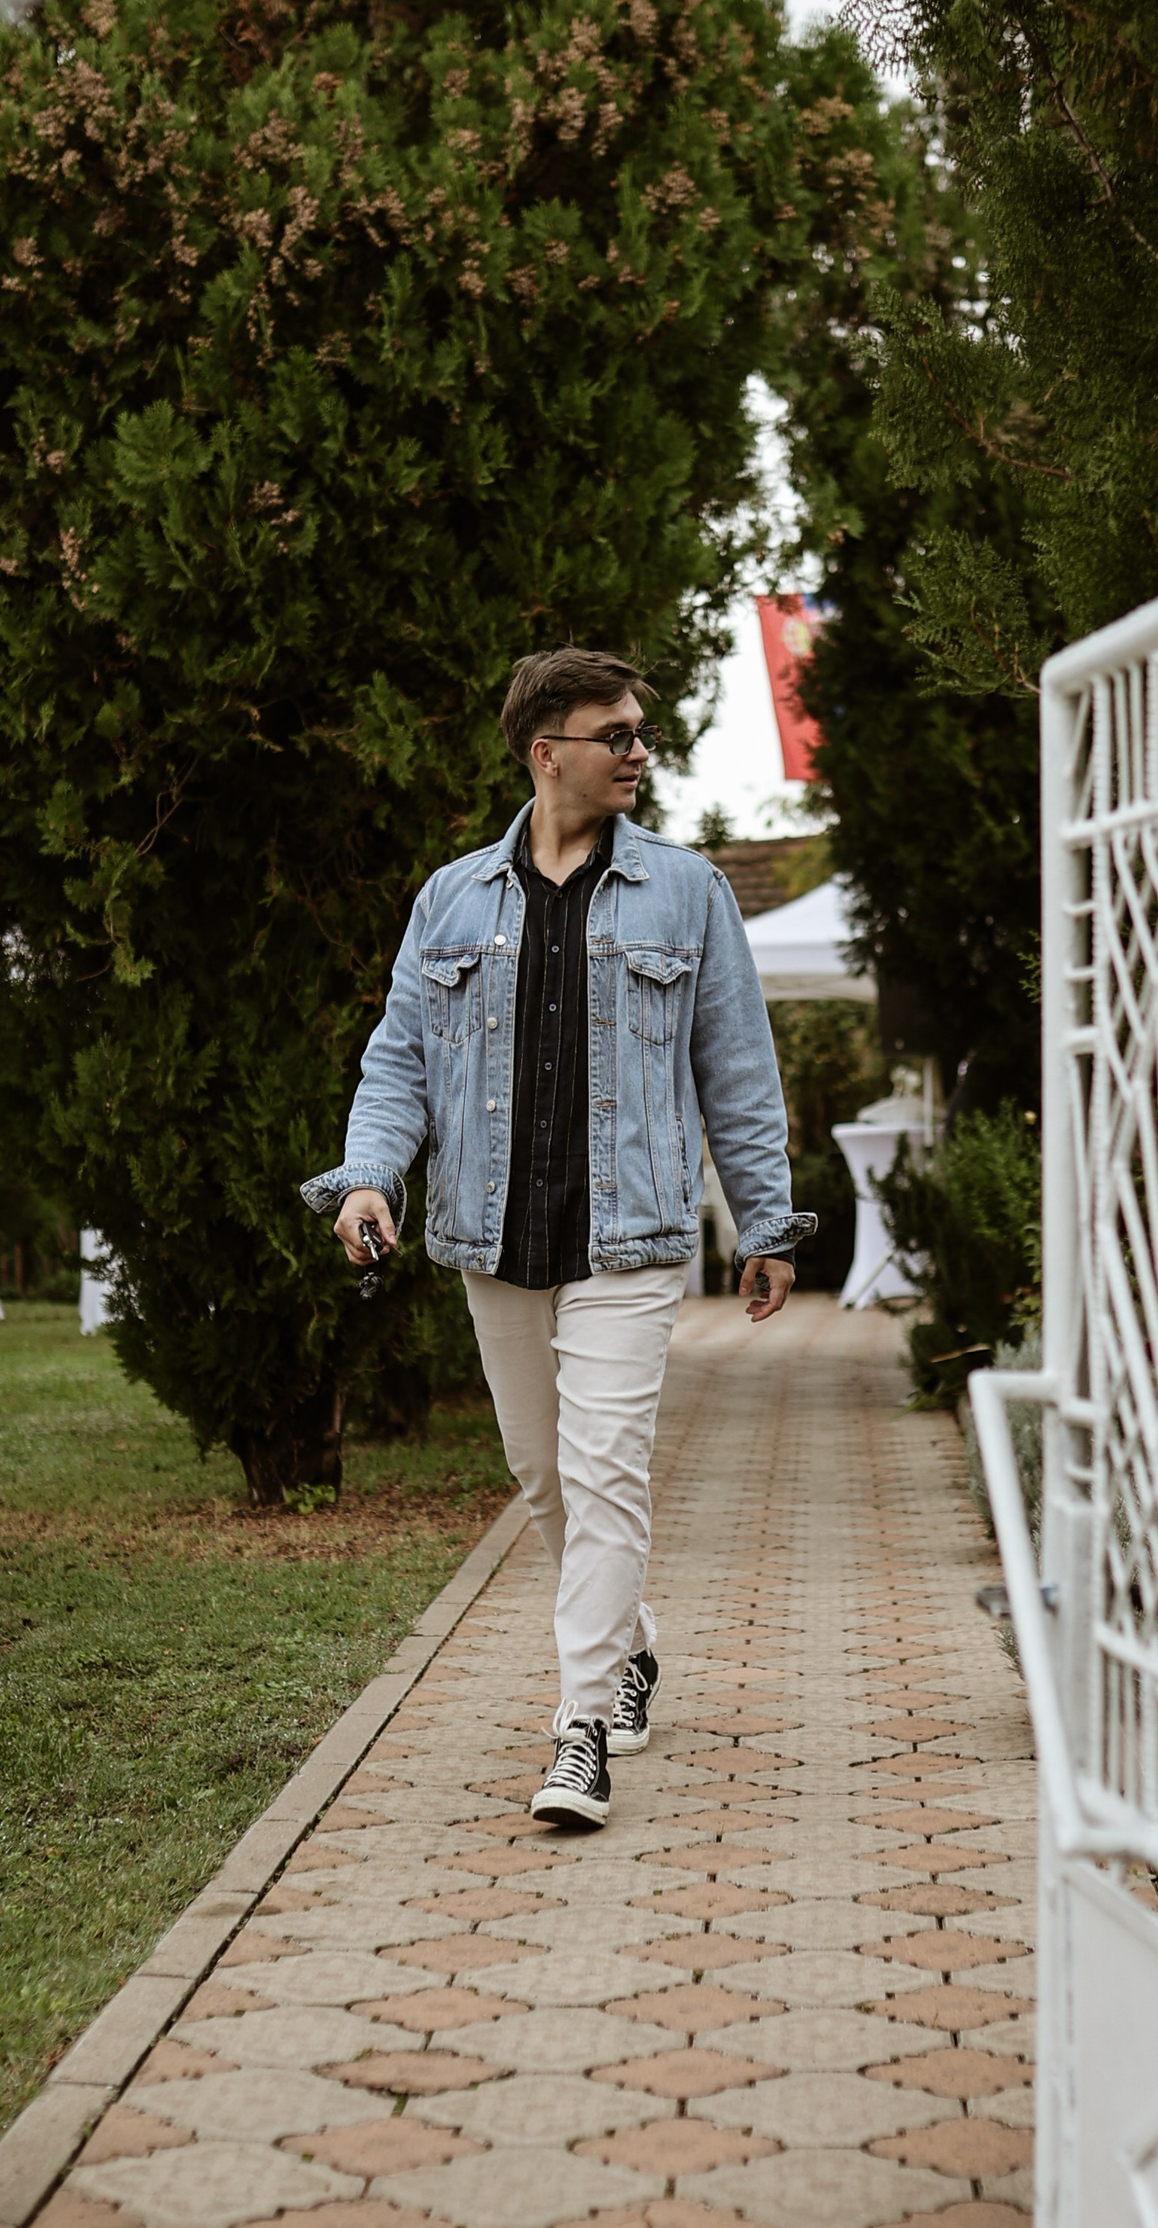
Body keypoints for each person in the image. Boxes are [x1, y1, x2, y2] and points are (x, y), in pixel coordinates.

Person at [301, 648, 812, 1830]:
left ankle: (580, 1731)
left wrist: (766, 1222)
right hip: (494, 1238)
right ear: (547, 753)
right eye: (615, 734)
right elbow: (399, 1061)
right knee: (544, 1477)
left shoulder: (687, 892)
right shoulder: (453, 899)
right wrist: (368, 1178)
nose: (639, 753)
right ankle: (630, 1646)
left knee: (605, 1472)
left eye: (641, 733)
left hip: (628, 1240)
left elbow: (737, 1069)